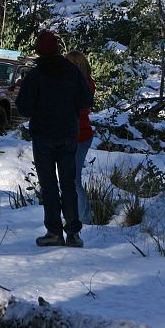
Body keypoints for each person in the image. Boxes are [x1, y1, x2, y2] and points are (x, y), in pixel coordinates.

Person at [16, 30, 93, 248]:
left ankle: (54, 232)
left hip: (43, 136)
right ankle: (73, 234)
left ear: (38, 52)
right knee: (68, 183)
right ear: (59, 49)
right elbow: (86, 99)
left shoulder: (34, 76)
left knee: (49, 185)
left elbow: (23, 108)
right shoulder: (72, 72)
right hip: (69, 134)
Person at [66, 50, 96, 225]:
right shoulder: (87, 83)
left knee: (74, 179)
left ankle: (84, 217)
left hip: (78, 135)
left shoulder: (78, 85)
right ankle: (76, 214)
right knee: (72, 179)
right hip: (82, 134)